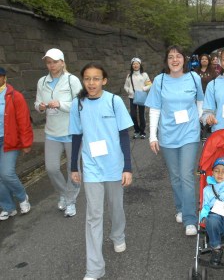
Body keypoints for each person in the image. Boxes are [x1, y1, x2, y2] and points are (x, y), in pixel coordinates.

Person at [69, 63, 133, 280]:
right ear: (82, 81)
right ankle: (94, 269)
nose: (91, 83)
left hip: (114, 165)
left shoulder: (114, 102)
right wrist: (73, 167)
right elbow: (76, 136)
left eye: (96, 79)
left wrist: (127, 168)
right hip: (91, 166)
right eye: (87, 79)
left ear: (104, 80)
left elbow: (124, 136)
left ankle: (118, 234)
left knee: (116, 206)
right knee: (94, 215)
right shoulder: (77, 104)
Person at [146, 45, 204, 236]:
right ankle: (180, 207)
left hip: (189, 133)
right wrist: (153, 136)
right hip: (168, 135)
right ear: (167, 61)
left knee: (186, 175)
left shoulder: (194, 78)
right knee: (175, 176)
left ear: (184, 59)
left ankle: (190, 219)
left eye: (178, 56)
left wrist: (201, 122)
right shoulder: (160, 81)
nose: (175, 60)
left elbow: (200, 103)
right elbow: (154, 108)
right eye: (171, 57)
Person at [34, 48, 83, 217]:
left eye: (55, 62)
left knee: (73, 169)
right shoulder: (42, 82)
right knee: (51, 168)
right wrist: (40, 107)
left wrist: (60, 104)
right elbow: (37, 103)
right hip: (52, 132)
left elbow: (80, 104)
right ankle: (64, 193)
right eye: (48, 62)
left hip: (71, 131)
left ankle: (71, 200)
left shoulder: (72, 80)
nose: (52, 65)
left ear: (62, 62)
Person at [0, 67, 33, 221]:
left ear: (4, 78)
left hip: (9, 141)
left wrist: (26, 143)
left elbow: (24, 121)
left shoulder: (14, 96)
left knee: (6, 173)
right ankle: (8, 207)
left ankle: (22, 197)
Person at [123, 57, 152, 139]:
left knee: (142, 115)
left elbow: (150, 84)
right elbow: (125, 86)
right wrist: (129, 91)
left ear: (140, 65)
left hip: (142, 97)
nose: (135, 65)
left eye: (137, 63)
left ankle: (142, 132)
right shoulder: (129, 76)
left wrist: (144, 89)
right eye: (134, 64)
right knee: (133, 115)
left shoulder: (144, 75)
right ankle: (137, 130)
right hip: (132, 97)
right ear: (132, 65)